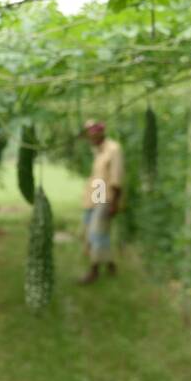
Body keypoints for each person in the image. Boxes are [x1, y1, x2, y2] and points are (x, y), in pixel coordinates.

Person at [78, 120, 124, 285]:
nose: (90, 138)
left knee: (96, 233)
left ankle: (94, 271)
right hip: (95, 194)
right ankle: (111, 264)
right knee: (96, 232)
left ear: (100, 133)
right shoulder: (98, 150)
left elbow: (116, 178)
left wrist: (114, 203)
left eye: (92, 135)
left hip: (106, 196)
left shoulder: (114, 149)